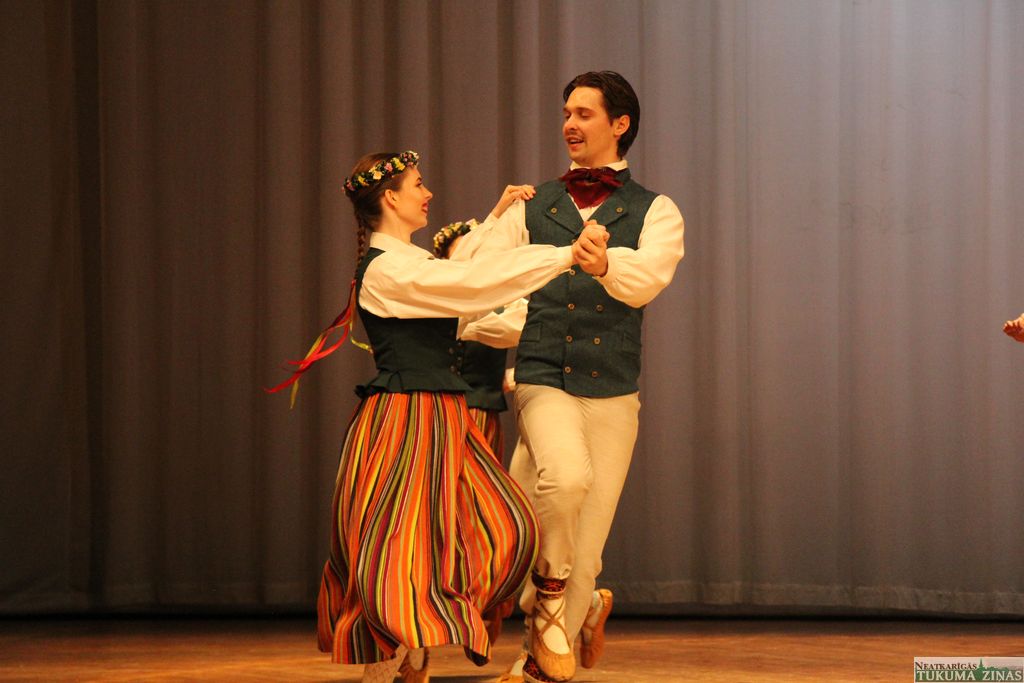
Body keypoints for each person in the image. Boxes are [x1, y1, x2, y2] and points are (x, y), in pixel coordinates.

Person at [269, 151, 577, 683]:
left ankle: (414, 638)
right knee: (398, 539)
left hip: (442, 414)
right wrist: (566, 255)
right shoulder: (388, 269)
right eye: (417, 184)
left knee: (503, 524)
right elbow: (472, 283)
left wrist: (503, 227)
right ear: (390, 197)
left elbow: (468, 283)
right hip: (405, 417)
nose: (427, 192)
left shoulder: (412, 262)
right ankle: (392, 656)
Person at [453, 71, 686, 683]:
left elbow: (649, 278)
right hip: (541, 375)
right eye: (566, 113)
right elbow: (474, 275)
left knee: (587, 541)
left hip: (612, 388)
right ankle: (552, 604)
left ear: (620, 124)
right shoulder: (533, 203)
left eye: (584, 114)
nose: (569, 125)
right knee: (564, 478)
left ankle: (546, 647)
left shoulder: (656, 210)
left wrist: (605, 264)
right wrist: (494, 216)